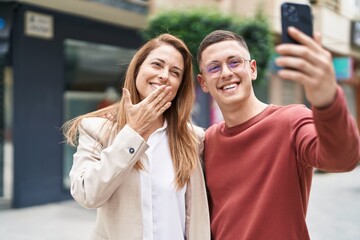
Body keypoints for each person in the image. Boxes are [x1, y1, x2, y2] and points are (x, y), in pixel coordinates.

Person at [196, 28, 360, 239]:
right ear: (203, 83)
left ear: (252, 69)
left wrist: (327, 99)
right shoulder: (206, 141)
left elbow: (343, 159)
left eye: (234, 62)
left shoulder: (291, 120)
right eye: (214, 67)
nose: (226, 72)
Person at [62, 33, 210, 240]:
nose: (164, 75)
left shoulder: (193, 138)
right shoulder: (97, 129)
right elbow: (87, 195)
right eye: (157, 65)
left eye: (175, 72)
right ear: (137, 69)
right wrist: (132, 133)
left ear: (179, 87)